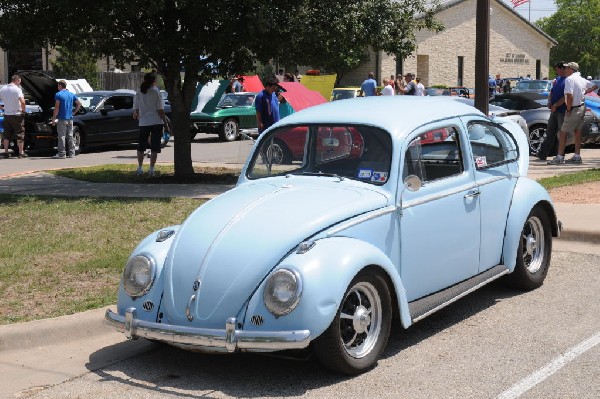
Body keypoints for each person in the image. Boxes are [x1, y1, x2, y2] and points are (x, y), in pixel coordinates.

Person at [548, 62, 599, 165]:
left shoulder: (569, 79)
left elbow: (569, 96)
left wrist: (568, 109)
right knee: (577, 132)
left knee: (563, 132)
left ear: (571, 69)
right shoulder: (581, 79)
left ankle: (560, 157)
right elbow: (595, 86)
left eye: (567, 68)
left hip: (574, 108)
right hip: (582, 107)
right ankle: (577, 156)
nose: (565, 70)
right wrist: (584, 92)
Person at [133, 72, 168, 176]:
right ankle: (151, 169)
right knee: (154, 147)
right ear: (154, 81)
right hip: (156, 122)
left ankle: (139, 168)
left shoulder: (139, 92)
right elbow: (160, 110)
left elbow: (136, 110)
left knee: (141, 146)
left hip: (143, 122)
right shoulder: (156, 92)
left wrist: (139, 116)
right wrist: (165, 123)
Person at [536, 61, 567, 160]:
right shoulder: (557, 79)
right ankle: (542, 154)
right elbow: (552, 92)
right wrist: (549, 101)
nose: (556, 71)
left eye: (557, 69)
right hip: (554, 110)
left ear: (562, 68)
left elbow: (566, 96)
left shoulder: (568, 80)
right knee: (550, 132)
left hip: (562, 110)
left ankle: (560, 154)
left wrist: (556, 105)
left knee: (562, 134)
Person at [51, 80, 81, 159]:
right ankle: (71, 153)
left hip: (62, 118)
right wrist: (74, 112)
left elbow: (57, 107)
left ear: (60, 86)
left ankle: (62, 153)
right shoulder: (71, 94)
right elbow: (79, 104)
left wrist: (54, 118)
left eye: (58, 86)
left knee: (62, 136)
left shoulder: (58, 94)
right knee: (70, 136)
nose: (58, 87)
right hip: (70, 118)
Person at [0, 75, 27, 158]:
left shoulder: (2, 89)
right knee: (19, 134)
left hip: (7, 115)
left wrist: (3, 108)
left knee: (6, 134)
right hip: (16, 115)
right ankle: (21, 153)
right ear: (17, 81)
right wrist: (23, 110)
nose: (19, 84)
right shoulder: (17, 89)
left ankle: (6, 152)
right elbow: (22, 102)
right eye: (19, 82)